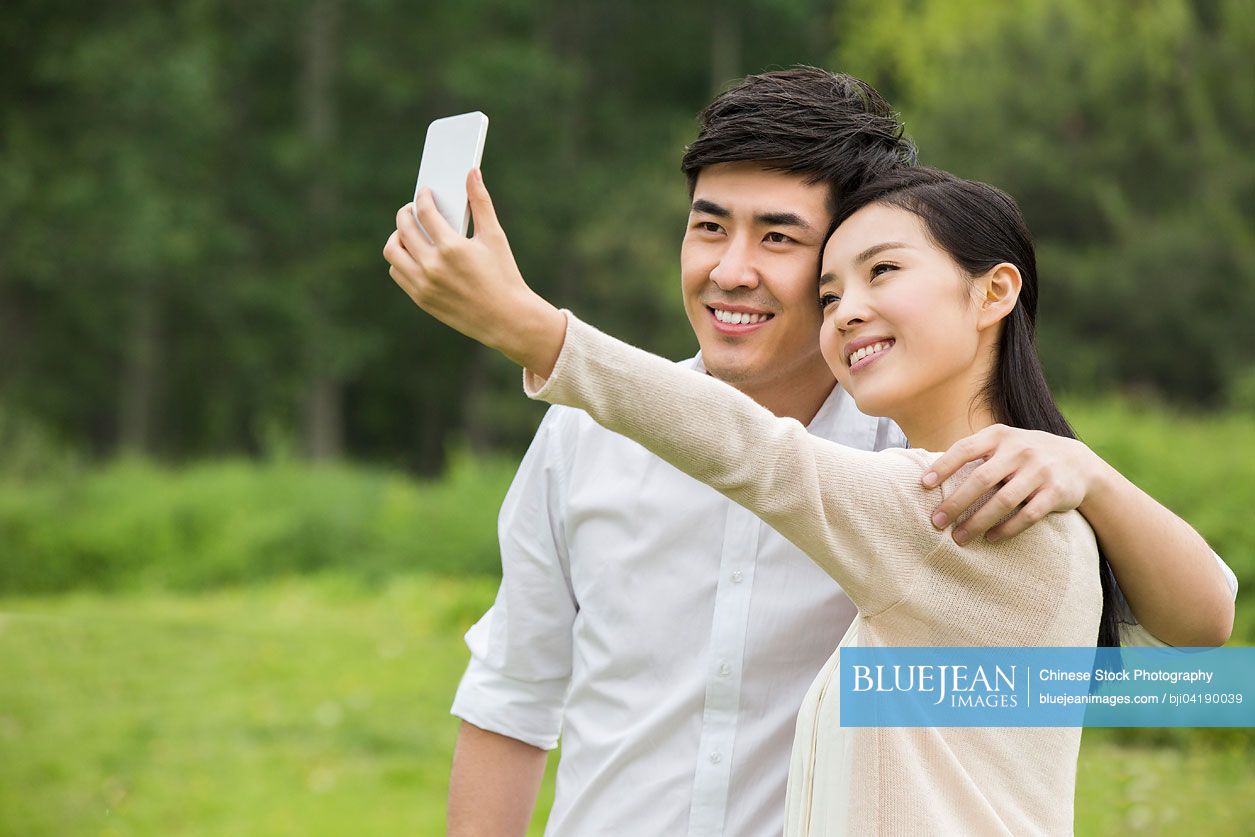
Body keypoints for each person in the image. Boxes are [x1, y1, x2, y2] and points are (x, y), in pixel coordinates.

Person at [385, 70, 1237, 836]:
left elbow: (752, 455)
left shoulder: (947, 479)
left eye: (781, 241)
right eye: (708, 227)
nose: (730, 270)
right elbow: (514, 691)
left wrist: (533, 331)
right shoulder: (582, 433)